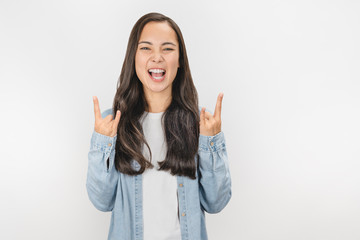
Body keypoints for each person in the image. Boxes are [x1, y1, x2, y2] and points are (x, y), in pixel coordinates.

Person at [86, 12, 232, 240]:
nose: (157, 57)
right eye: (146, 48)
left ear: (180, 59)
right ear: (133, 57)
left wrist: (210, 143)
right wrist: (103, 143)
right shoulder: (113, 123)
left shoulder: (200, 124)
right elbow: (102, 201)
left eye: (167, 48)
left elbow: (216, 203)